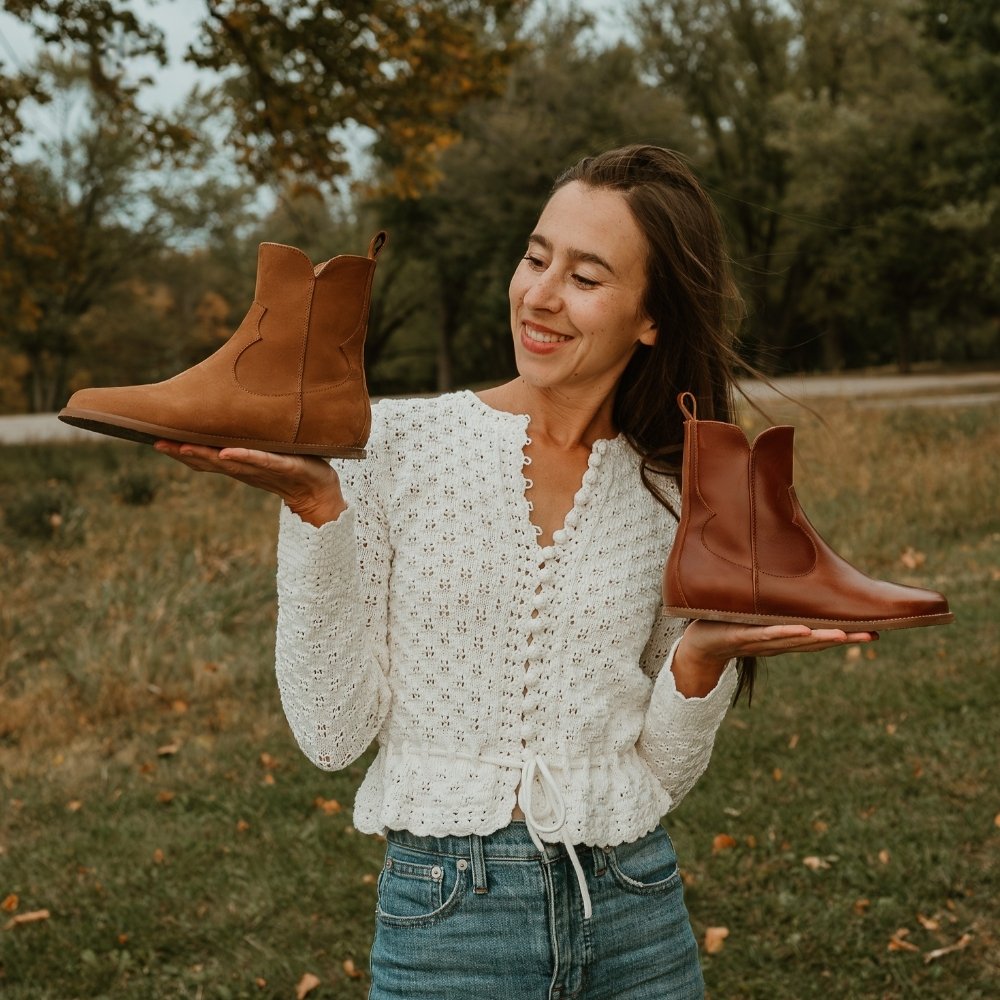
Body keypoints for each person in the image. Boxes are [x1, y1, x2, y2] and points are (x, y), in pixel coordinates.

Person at [156, 145, 877, 999]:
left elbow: (659, 776)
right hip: (448, 927)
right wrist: (318, 517)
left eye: (586, 275)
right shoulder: (390, 448)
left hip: (637, 913)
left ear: (652, 318)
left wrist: (698, 663)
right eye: (536, 256)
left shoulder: (674, 493)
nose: (539, 293)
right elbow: (329, 732)